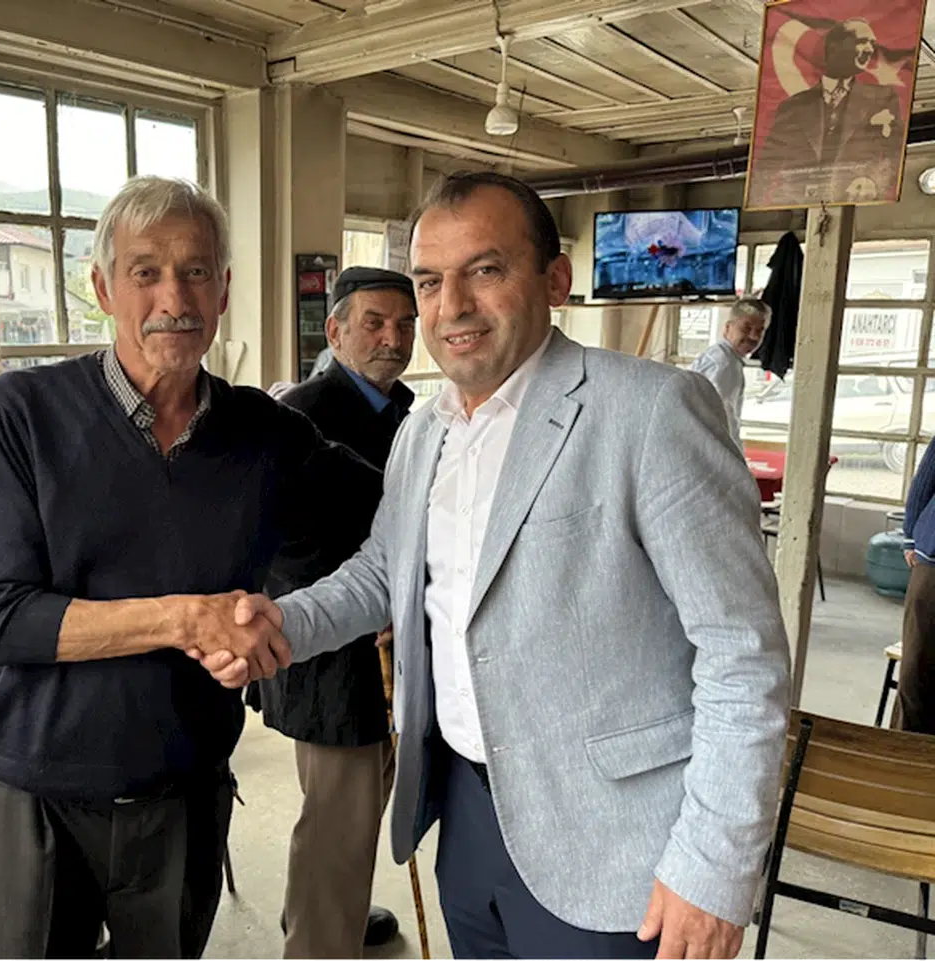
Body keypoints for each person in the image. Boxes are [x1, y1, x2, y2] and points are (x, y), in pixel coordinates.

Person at [200, 171, 791, 960]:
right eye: (429, 281)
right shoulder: (426, 429)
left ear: (555, 279)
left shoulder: (651, 411)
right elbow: (384, 569)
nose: (452, 306)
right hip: (467, 809)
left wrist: (714, 866)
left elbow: (742, 656)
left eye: (485, 269)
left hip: (614, 841)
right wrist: (285, 622)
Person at [0, 175, 378, 961]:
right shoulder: (22, 412)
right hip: (35, 794)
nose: (173, 297)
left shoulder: (265, 433)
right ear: (104, 287)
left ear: (223, 290)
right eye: (146, 271)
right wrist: (185, 618)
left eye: (196, 271)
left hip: (184, 795)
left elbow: (389, 512)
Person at [250, 266, 417, 960]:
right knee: (335, 824)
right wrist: (373, 596)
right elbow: (279, 548)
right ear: (336, 331)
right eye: (374, 323)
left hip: (390, 657)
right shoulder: (300, 416)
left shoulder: (406, 411)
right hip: (332, 659)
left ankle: (333, 913)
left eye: (405, 324)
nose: (393, 338)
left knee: (362, 811)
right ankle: (319, 943)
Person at [751, 18, 902, 207]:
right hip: (800, 202)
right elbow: (769, 161)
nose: (870, 49)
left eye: (872, 43)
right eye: (862, 41)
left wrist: (873, 182)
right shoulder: (793, 106)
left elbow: (894, 151)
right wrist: (759, 201)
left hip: (855, 198)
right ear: (834, 47)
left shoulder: (883, 98)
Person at [689, 299, 771, 448]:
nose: (754, 336)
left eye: (760, 330)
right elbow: (721, 423)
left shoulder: (721, 357)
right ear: (728, 327)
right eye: (746, 328)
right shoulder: (724, 365)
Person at [901, 442, 935, 734]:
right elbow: (925, 481)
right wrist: (911, 537)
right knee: (916, 670)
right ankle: (901, 750)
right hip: (932, 563)